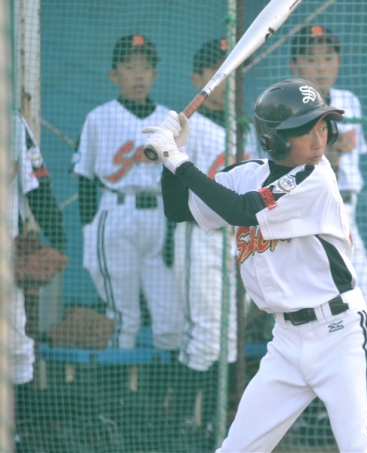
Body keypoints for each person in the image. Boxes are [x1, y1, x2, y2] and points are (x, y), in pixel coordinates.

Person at [144, 78, 367, 453]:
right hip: (286, 342)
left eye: (323, 126)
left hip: (339, 334)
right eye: (304, 130)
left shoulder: (316, 177)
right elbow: (179, 210)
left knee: (361, 448)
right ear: (273, 138)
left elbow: (242, 210)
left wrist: (178, 160)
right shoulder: (248, 174)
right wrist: (170, 158)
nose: (319, 140)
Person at [72, 34, 183, 446]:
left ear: (154, 74)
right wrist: (89, 229)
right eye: (129, 66)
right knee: (125, 318)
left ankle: (152, 416)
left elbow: (177, 178)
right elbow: (84, 179)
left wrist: (172, 229)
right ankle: (112, 415)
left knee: (169, 322)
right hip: (114, 212)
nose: (138, 74)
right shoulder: (99, 117)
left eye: (145, 67)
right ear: (113, 74)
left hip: (157, 217)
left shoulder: (167, 122)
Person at [170, 37, 258, 451]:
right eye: (217, 74)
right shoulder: (186, 127)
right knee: (206, 334)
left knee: (230, 335)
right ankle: (182, 426)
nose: (226, 83)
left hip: (239, 238)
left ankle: (213, 425)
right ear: (200, 80)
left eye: (232, 74)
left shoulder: (249, 128)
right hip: (201, 235)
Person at [288, 25, 367, 336]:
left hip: (346, 211)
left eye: (328, 58)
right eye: (311, 59)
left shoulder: (348, 101)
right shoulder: (285, 106)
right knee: (316, 305)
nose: (321, 67)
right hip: (308, 215)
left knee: (364, 301)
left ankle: (366, 364)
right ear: (294, 65)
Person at [11, 112, 67, 452]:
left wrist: (57, 239)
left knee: (17, 346)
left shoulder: (13, 122)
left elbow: (39, 185)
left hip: (6, 254)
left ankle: (16, 433)